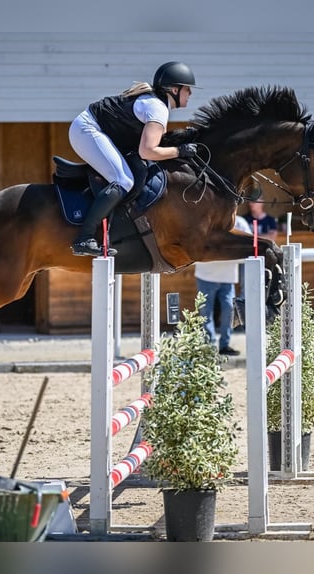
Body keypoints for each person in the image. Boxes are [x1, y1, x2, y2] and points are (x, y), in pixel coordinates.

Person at [68, 61, 199, 256]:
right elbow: (148, 151)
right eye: (187, 89)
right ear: (174, 89)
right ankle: (84, 238)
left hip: (96, 129)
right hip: (86, 130)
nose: (190, 94)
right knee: (123, 180)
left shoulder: (157, 104)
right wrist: (179, 151)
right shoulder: (158, 109)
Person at [194, 215, 251, 356]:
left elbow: (250, 245)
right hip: (205, 276)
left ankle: (225, 345)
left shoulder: (241, 223)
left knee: (229, 310)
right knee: (205, 313)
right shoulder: (206, 220)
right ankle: (210, 346)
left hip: (228, 278)